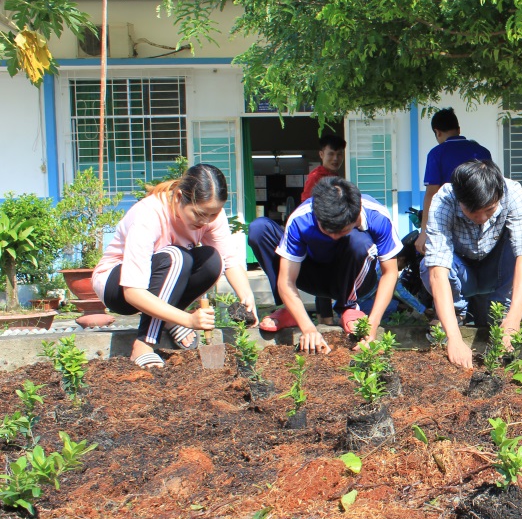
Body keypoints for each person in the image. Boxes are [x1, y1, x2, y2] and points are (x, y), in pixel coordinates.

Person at [93, 164, 258, 369]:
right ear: (179, 197)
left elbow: (230, 260)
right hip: (116, 286)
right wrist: (187, 320)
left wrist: (247, 296)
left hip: (159, 283)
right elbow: (133, 292)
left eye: (213, 214)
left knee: (213, 261)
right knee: (177, 257)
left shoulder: (210, 215)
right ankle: (143, 345)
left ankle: (169, 320)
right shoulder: (149, 215)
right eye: (199, 214)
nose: (205, 221)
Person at [247, 177, 402, 354]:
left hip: (354, 278)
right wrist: (309, 329)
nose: (334, 237)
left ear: (356, 215)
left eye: (341, 231)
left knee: (360, 242)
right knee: (259, 229)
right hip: (311, 274)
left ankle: (348, 307)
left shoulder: (377, 216)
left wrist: (373, 324)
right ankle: (290, 310)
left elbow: (390, 272)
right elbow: (286, 280)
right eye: (327, 231)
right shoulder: (301, 218)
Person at [421, 159, 522, 368]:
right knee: (427, 265)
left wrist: (514, 319)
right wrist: (455, 339)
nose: (482, 218)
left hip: (496, 271)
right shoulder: (444, 201)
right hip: (462, 272)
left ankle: (502, 316)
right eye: (473, 212)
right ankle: (455, 317)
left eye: (490, 210)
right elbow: (438, 273)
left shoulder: (513, 193)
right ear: (460, 200)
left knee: (518, 248)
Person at [415, 108, 492, 255]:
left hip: (451, 221)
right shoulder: (482, 151)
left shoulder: (436, 153)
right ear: (458, 129)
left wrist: (424, 230)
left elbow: (432, 194)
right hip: (481, 219)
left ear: (437, 132)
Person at [299, 133, 347, 324]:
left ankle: (326, 319)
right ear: (321, 154)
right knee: (324, 273)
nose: (336, 158)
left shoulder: (333, 176)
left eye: (339, 154)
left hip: (332, 233)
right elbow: (306, 205)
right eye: (331, 154)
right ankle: (325, 320)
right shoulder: (317, 177)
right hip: (319, 234)